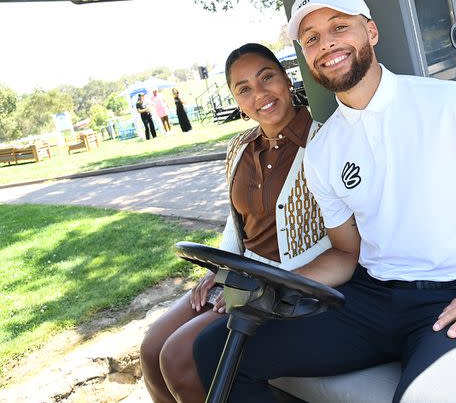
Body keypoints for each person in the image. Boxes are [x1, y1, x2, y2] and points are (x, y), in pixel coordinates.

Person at [193, 0, 456, 402]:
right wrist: (274, 282)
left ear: (371, 32)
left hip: (449, 298)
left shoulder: (452, 104)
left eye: (339, 27)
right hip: (369, 298)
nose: (327, 44)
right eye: (312, 38)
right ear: (306, 56)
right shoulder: (323, 149)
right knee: (213, 351)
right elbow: (345, 253)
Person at [140, 43, 334, 403]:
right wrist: (220, 270)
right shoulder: (240, 147)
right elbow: (239, 223)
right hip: (241, 273)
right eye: (243, 88)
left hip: (288, 284)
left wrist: (255, 283)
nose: (259, 94)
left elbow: (335, 238)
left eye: (266, 78)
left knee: (178, 358)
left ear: (287, 79)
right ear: (236, 100)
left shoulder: (324, 141)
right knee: (152, 348)